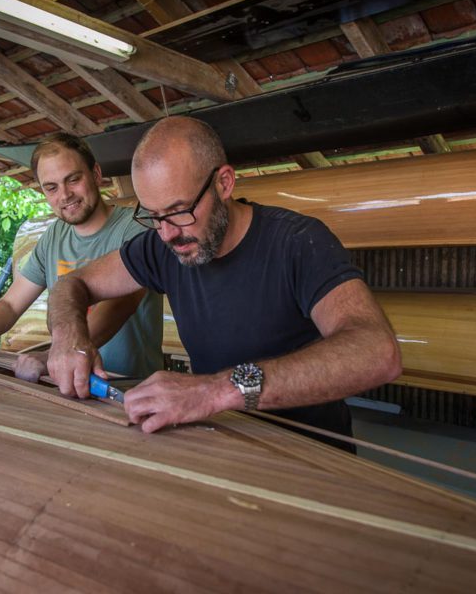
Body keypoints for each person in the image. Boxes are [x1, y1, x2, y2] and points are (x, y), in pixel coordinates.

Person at [45, 116, 402, 450]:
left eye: (179, 210)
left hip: (312, 457)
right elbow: (73, 284)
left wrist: (216, 391)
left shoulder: (297, 242)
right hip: (224, 448)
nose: (167, 233)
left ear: (224, 183)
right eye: (153, 216)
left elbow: (377, 351)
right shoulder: (162, 246)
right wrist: (68, 338)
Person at [0, 133, 163, 382]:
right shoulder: (53, 237)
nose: (65, 195)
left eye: (74, 179)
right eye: (52, 187)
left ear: (96, 174)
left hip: (129, 385)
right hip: (69, 385)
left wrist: (53, 356)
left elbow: (121, 304)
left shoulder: (136, 228)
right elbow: (10, 305)